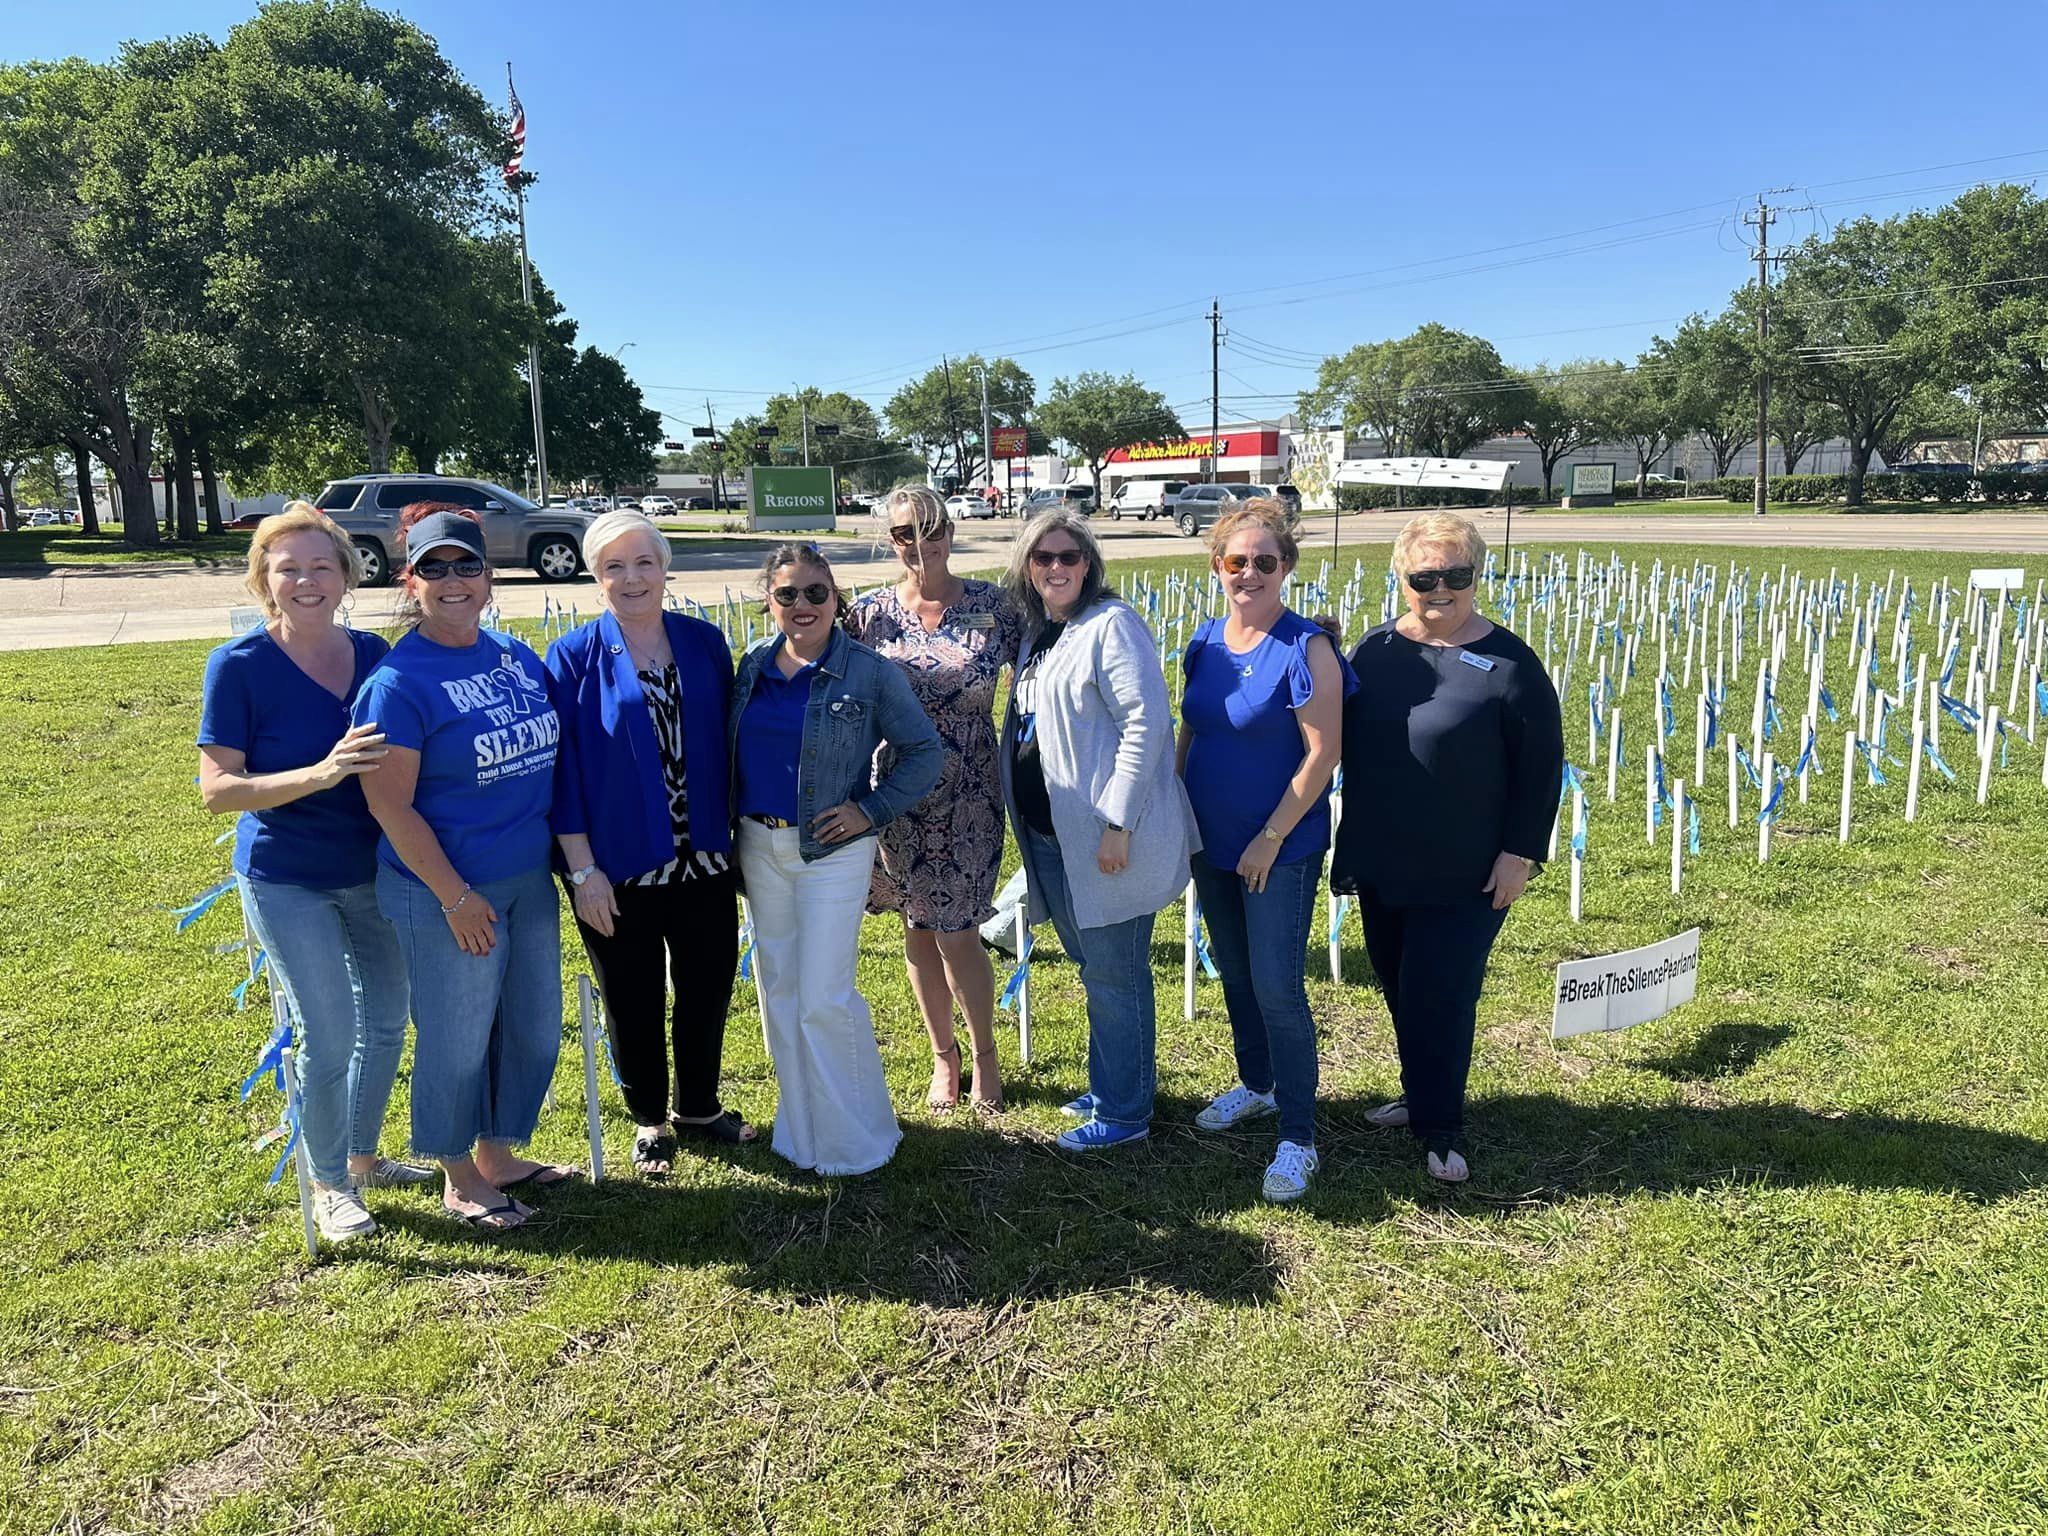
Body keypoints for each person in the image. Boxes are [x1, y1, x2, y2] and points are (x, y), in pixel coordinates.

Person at [198, 503, 428, 1243]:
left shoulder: (375, 654)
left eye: (321, 566)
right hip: (287, 876)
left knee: (386, 1021)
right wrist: (321, 774)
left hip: (373, 870)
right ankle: (329, 1184)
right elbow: (217, 790)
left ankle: (361, 1158)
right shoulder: (238, 666)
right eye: (288, 568)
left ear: (346, 575)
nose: (306, 580)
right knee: (327, 1034)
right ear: (263, 579)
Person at [354, 506, 574, 1233]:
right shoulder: (398, 683)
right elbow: (389, 806)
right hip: (444, 890)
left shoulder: (514, 655)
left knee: (532, 1030)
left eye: (467, 565)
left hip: (526, 880)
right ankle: (458, 1175)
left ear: (488, 576)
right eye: (435, 568)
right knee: (457, 1039)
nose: (454, 581)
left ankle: (498, 1155)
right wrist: (454, 897)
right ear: (410, 580)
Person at [1331, 512, 1564, 1183]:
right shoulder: (1376, 651)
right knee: (1399, 983)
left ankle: (1441, 1128)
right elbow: (1332, 724)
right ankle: (1420, 1093)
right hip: (1384, 857)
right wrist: (1313, 651)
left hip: (1468, 869)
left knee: (1441, 993)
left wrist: (1520, 852)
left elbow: (1541, 765)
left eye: (1456, 575)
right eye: (1424, 577)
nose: (1440, 589)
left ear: (1477, 576)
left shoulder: (1511, 663)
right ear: (1401, 579)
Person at [545, 511, 752, 1177]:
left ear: (665, 569)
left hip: (707, 860)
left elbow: (732, 743)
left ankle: (699, 1107)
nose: (631, 577)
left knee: (707, 989)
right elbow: (563, 774)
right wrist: (582, 872)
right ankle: (649, 1120)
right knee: (631, 1000)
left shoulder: (704, 642)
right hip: (617, 870)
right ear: (595, 576)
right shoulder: (572, 656)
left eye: (644, 563)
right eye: (615, 566)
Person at [729, 543, 943, 1176]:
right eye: (788, 593)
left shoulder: (869, 673)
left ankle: (856, 1140)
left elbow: (924, 752)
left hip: (832, 851)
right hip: (759, 847)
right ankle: (802, 1133)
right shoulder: (752, 666)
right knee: (780, 992)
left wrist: (869, 811)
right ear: (769, 601)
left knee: (824, 996)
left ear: (835, 599)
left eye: (816, 593)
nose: (803, 605)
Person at [999, 509, 1198, 1151]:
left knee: (1116, 975)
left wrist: (1119, 821)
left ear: (1089, 564)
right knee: (1095, 968)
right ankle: (1115, 1081)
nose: (1056, 567)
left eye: (1069, 556)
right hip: (1052, 838)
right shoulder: (1041, 632)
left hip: (1106, 838)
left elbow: (1147, 724)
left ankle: (1124, 1112)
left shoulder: (1112, 625)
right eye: (1043, 557)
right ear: (1028, 567)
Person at [1176, 502, 1353, 1202]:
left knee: (1278, 987)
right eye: (1235, 561)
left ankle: (1299, 1136)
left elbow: (1323, 755)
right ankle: (1258, 1083)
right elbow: (1191, 730)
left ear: (1286, 568)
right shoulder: (1204, 641)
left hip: (1279, 847)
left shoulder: (1307, 647)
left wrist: (1270, 838)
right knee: (1237, 974)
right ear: (1216, 567)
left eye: (1264, 561)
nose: (1248, 573)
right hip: (1211, 843)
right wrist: (1175, 809)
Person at [846, 487, 1022, 1113]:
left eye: (932, 527)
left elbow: (1048, 668)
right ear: (890, 541)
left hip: (970, 794)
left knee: (960, 931)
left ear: (950, 529)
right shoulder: (869, 616)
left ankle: (985, 1055)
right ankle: (943, 1057)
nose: (921, 543)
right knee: (917, 927)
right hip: (897, 793)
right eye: (904, 533)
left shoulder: (996, 608)